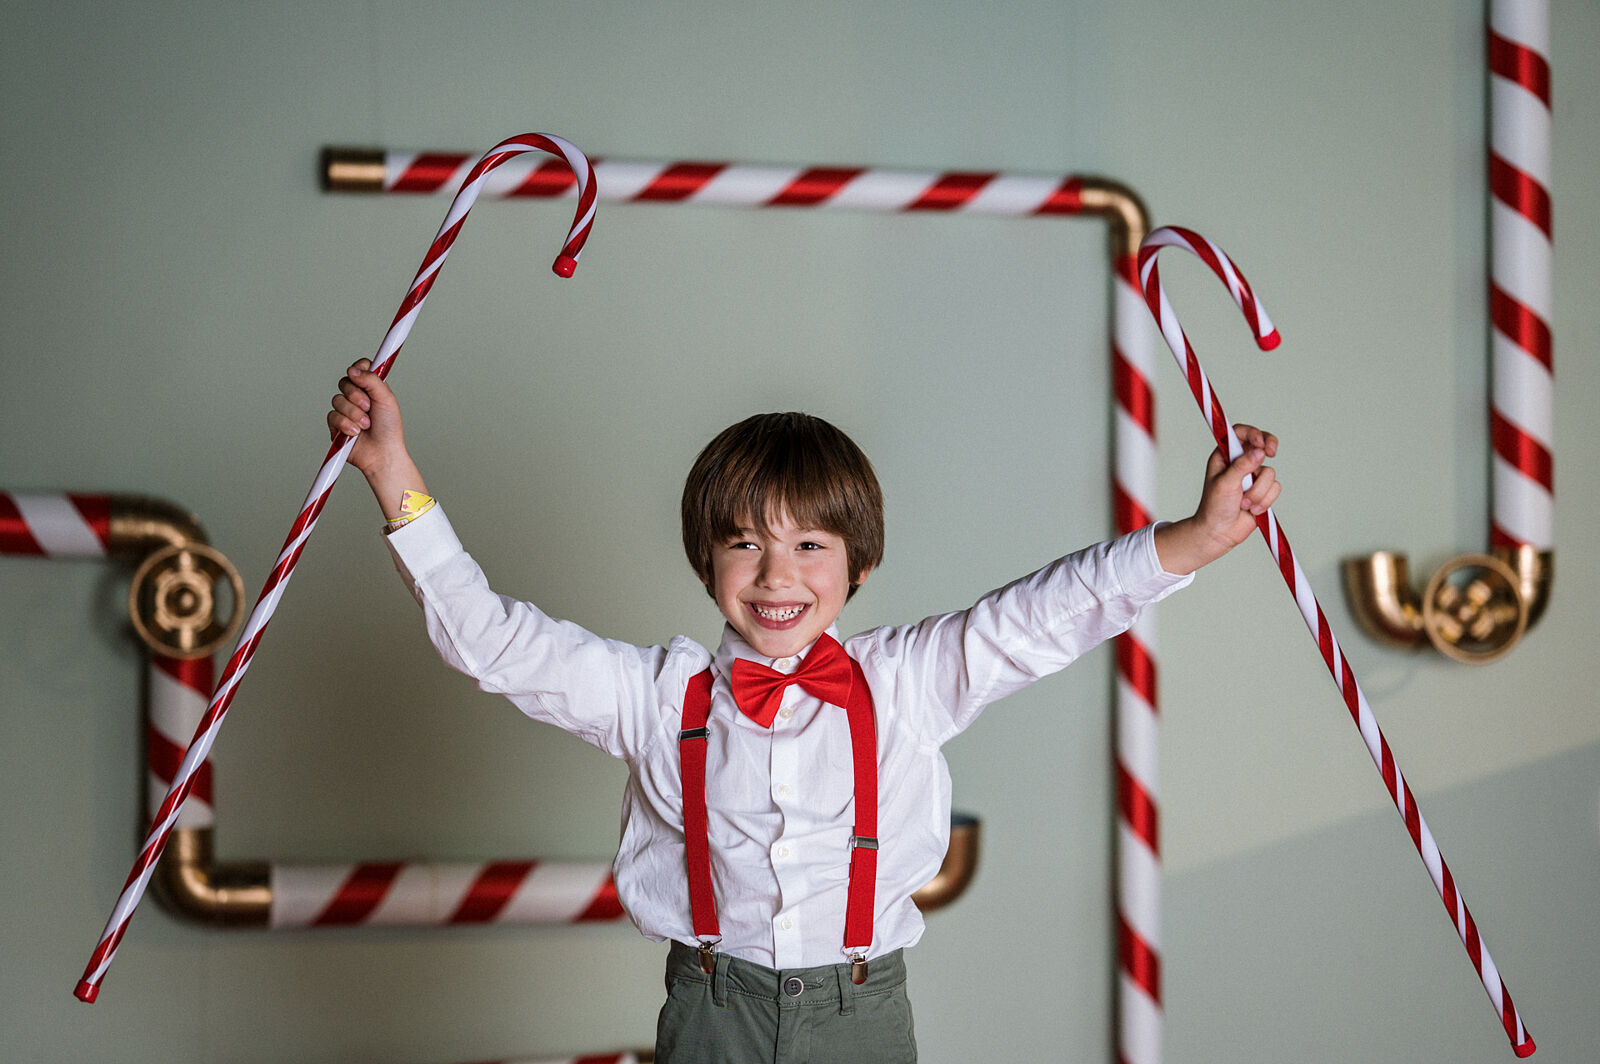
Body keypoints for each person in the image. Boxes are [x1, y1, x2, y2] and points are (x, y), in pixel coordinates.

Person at [328, 358, 1279, 1063]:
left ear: (859, 563)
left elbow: (1046, 613)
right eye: (745, 544)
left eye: (811, 545)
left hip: (861, 1015)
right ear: (707, 560)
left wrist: (1193, 539)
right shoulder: (658, 696)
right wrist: (392, 473)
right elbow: (495, 641)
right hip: (711, 1013)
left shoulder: (908, 680)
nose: (777, 576)